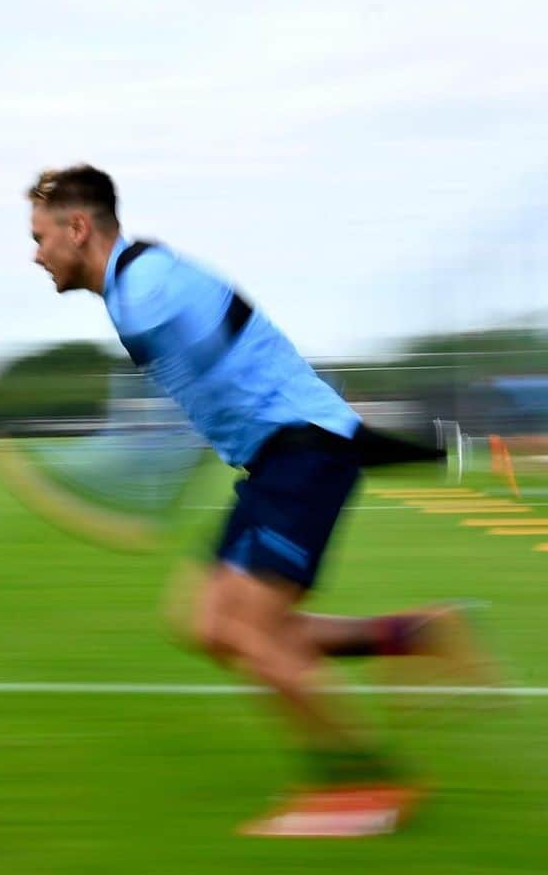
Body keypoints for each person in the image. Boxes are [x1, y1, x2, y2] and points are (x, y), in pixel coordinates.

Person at [26, 164, 494, 837]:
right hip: (283, 460)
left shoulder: (146, 288)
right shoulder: (136, 287)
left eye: (41, 236)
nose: (36, 253)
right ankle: (411, 633)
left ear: (78, 228)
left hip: (302, 455)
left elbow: (189, 385)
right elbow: (202, 390)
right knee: (210, 625)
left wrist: (123, 480)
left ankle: (362, 785)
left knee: (249, 631)